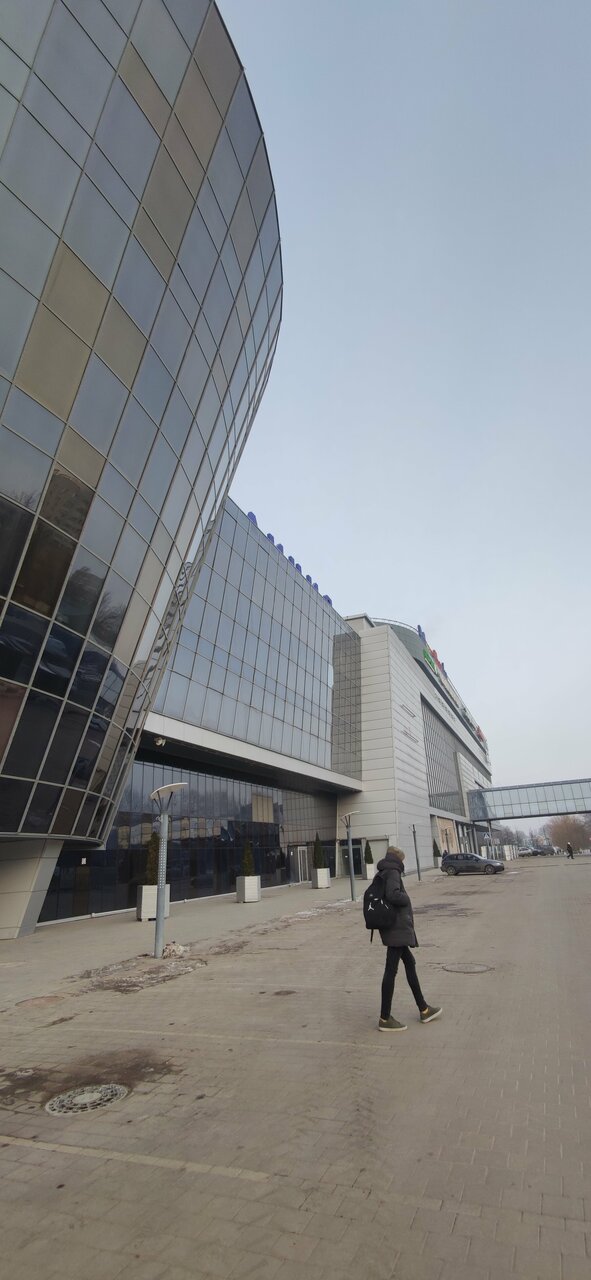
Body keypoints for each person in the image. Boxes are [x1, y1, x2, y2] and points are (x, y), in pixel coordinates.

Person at [377, 846, 442, 1031]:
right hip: (396, 928)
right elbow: (393, 894)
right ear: (398, 859)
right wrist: (406, 898)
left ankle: (424, 1008)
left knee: (409, 964)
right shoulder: (392, 872)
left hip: (395, 929)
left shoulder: (385, 870)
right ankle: (384, 1018)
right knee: (391, 971)